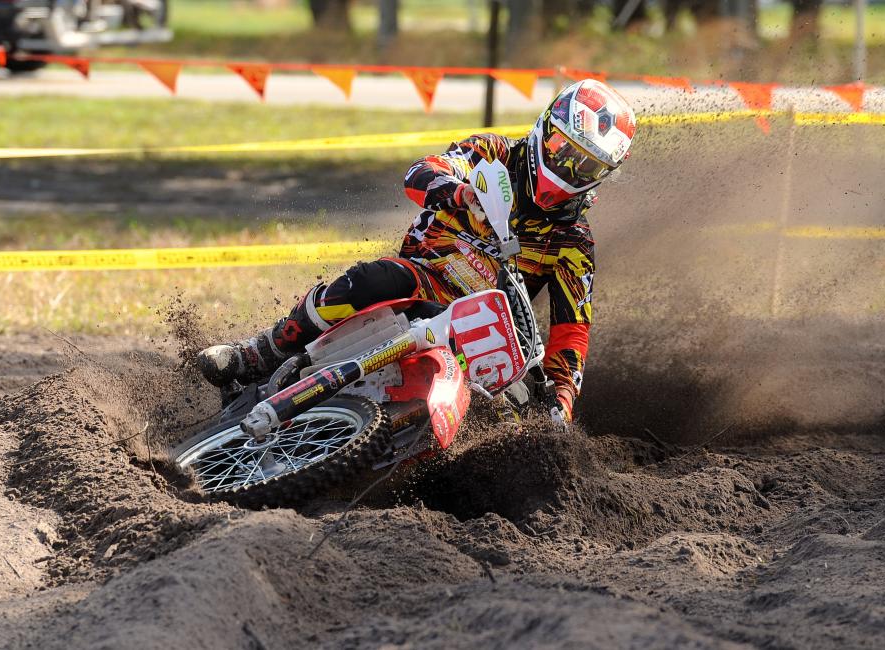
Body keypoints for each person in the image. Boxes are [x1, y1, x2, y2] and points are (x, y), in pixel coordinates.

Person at [197, 78, 637, 426]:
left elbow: (571, 330)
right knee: (372, 279)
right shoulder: (493, 154)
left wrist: (562, 404)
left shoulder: (573, 242)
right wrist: (460, 193)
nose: (569, 169)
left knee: (521, 408)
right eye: (565, 151)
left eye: (587, 165)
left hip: (480, 327)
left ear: (603, 176)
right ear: (546, 128)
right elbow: (421, 171)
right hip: (424, 276)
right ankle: (258, 352)